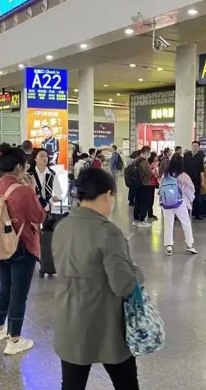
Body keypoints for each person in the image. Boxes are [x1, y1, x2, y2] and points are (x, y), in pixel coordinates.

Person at [52, 167, 144, 390]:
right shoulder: (108, 232)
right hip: (105, 323)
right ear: (107, 195)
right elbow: (123, 285)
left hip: (69, 319)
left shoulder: (62, 226)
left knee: (72, 385)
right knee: (126, 383)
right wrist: (137, 272)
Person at [0, 147, 46, 355]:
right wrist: (32, 190)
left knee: (5, 286)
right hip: (22, 245)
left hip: (0, 244)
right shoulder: (23, 190)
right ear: (20, 166)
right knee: (19, 293)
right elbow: (39, 216)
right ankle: (14, 339)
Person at [161, 157, 197, 256]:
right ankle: (189, 244)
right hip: (180, 203)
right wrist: (190, 200)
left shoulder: (165, 175)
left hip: (167, 203)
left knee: (168, 224)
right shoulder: (184, 176)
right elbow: (191, 189)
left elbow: (161, 189)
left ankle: (168, 246)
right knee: (186, 222)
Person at [132, 146, 154, 228]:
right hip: (144, 184)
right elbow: (149, 173)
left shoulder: (136, 160)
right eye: (149, 152)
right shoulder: (144, 162)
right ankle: (142, 220)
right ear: (146, 152)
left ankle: (136, 220)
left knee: (137, 202)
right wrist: (153, 171)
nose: (149, 154)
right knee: (144, 202)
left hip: (137, 184)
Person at [183, 141, 205, 220]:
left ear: (198, 147)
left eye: (196, 146)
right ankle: (185, 213)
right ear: (191, 146)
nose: (195, 147)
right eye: (194, 146)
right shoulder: (186, 155)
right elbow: (183, 167)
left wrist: (202, 181)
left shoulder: (200, 156)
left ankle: (197, 214)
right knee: (186, 196)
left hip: (196, 180)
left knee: (197, 197)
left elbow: (202, 170)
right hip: (186, 180)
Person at [147, 152, 159, 220]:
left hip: (153, 183)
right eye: (156, 157)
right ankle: (149, 213)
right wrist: (155, 167)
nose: (157, 158)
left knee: (151, 199)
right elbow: (150, 173)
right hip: (149, 183)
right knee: (149, 199)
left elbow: (156, 175)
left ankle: (150, 213)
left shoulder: (155, 164)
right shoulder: (148, 164)